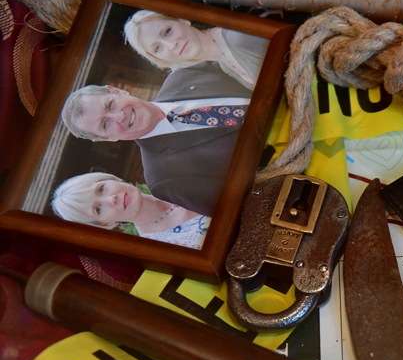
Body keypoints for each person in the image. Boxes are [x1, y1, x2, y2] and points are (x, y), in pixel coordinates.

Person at [61, 62, 254, 216]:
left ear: (117, 91)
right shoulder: (164, 179)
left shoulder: (185, 73)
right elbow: (241, 212)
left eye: (110, 105)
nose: (119, 116)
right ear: (107, 139)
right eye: (105, 124)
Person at [52, 172, 210, 250]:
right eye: (98, 208)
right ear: (105, 223)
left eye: (101, 189)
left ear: (112, 179)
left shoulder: (173, 176)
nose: (110, 199)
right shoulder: (160, 248)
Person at [124, 10, 268, 90]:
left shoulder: (239, 38)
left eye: (167, 32)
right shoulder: (224, 66)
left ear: (182, 20)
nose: (171, 45)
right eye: (157, 48)